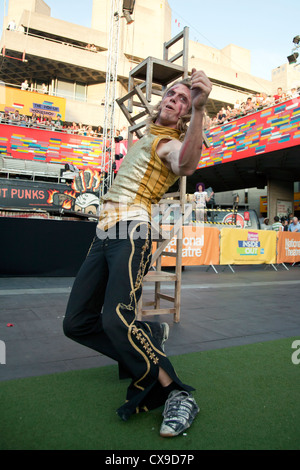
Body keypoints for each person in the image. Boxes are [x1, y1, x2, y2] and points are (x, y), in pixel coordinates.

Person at [63, 68, 212, 438]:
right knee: (77, 322)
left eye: (183, 99)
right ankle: (149, 336)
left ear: (183, 115)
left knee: (116, 317)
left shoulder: (169, 142)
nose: (174, 100)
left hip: (133, 230)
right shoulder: (147, 137)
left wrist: (199, 110)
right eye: (172, 95)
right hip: (104, 233)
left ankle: (176, 392)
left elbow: (186, 164)